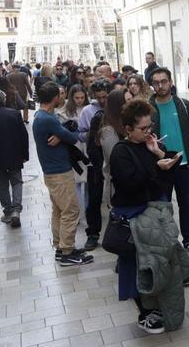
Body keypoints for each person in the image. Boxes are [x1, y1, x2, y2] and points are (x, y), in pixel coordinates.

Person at [109, 99, 180, 334]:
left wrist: (160, 154)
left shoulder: (148, 146)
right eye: (144, 129)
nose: (149, 132)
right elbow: (131, 185)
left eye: (150, 127)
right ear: (128, 129)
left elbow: (163, 182)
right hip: (133, 216)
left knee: (158, 262)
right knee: (136, 266)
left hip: (153, 215)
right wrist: (156, 167)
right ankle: (145, 312)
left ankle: (154, 303)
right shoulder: (121, 151)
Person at [33, 82, 94, 266]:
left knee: (59, 210)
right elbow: (73, 136)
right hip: (59, 172)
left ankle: (60, 247)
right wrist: (64, 133)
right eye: (60, 95)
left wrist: (62, 134)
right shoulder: (48, 119)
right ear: (55, 98)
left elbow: (65, 134)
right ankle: (67, 252)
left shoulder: (40, 115)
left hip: (51, 172)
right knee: (71, 210)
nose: (62, 97)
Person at [149, 67, 189, 254]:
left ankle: (188, 238)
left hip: (183, 164)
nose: (160, 85)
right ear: (152, 85)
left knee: (185, 203)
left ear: (171, 82)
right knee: (163, 205)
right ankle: (168, 241)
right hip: (161, 165)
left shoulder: (183, 104)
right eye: (156, 82)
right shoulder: (147, 108)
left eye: (164, 81)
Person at [79, 79, 111, 251]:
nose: (102, 100)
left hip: (113, 161)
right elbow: (81, 134)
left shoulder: (115, 108)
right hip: (94, 162)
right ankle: (93, 234)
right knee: (94, 199)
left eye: (105, 96)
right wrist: (93, 135)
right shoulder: (87, 111)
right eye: (99, 97)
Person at [57, 84, 90, 226]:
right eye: (77, 97)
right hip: (74, 149)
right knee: (76, 182)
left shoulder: (88, 109)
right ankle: (77, 213)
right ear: (72, 97)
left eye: (82, 97)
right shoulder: (64, 111)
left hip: (87, 148)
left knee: (88, 181)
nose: (80, 100)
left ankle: (87, 211)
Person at [0, 88, 28, 228]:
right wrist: (25, 154)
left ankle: (8, 211)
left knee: (2, 185)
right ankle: (16, 209)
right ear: (3, 100)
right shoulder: (14, 114)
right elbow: (24, 135)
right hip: (14, 155)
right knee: (17, 182)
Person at [99, 89, 128, 208]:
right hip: (119, 186)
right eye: (128, 101)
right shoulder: (108, 132)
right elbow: (117, 160)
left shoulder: (124, 125)